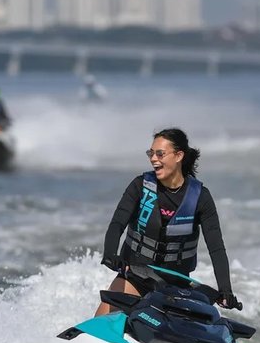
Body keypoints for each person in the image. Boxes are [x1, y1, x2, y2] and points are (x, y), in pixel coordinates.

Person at [96, 128, 240, 315]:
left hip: (176, 285)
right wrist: (110, 253)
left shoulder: (200, 197)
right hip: (136, 277)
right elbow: (117, 225)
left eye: (160, 154)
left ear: (179, 156)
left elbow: (216, 248)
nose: (153, 158)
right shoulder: (140, 186)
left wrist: (225, 290)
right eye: (151, 153)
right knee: (101, 319)